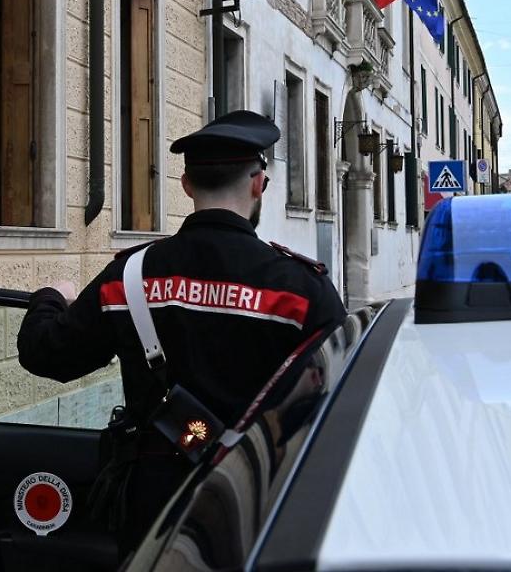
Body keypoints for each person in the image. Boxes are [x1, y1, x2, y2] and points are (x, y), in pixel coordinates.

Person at [17, 110, 347, 548]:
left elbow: (45, 354)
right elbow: (339, 393)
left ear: (187, 185)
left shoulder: (129, 276)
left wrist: (50, 296)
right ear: (257, 184)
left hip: (153, 498)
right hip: (260, 493)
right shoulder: (302, 289)